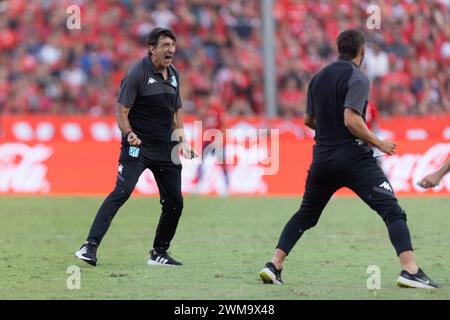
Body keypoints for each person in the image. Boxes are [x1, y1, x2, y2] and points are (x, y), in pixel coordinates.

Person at [259, 29, 439, 289]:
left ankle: (274, 264)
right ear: (361, 51)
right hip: (353, 159)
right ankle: (410, 270)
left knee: (306, 215)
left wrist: (329, 132)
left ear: (339, 47)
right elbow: (351, 119)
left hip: (322, 159)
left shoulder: (318, 78)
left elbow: (308, 120)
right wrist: (378, 142)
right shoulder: (358, 77)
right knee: (392, 211)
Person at [75, 28, 196, 267]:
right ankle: (89, 246)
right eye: (165, 45)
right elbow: (121, 112)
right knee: (122, 191)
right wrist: (129, 134)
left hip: (165, 148)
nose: (170, 49)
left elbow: (175, 113)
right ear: (151, 48)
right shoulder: (137, 74)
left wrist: (183, 140)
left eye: (173, 44)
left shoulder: (174, 74)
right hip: (138, 146)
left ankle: (159, 252)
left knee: (175, 202)